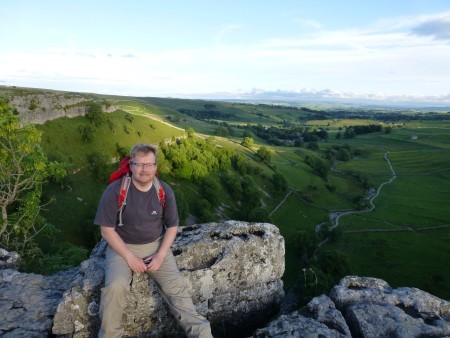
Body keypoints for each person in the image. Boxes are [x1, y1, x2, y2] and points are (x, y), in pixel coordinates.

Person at [94, 143, 213, 338]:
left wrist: (160, 255)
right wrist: (130, 258)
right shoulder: (115, 191)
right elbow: (106, 230)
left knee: (178, 292)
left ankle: (202, 334)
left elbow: (172, 227)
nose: (144, 169)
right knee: (116, 287)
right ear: (131, 166)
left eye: (149, 165)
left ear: (156, 167)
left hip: (156, 246)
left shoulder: (164, 191)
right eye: (139, 164)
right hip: (122, 248)